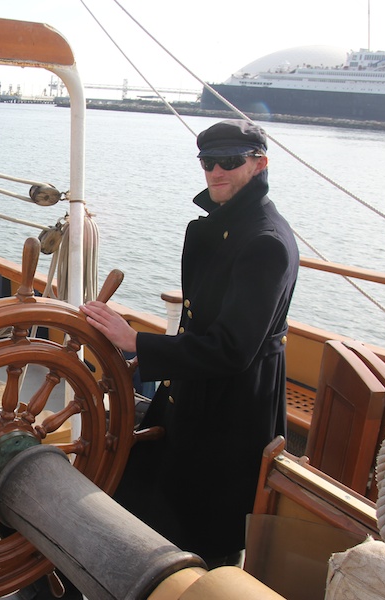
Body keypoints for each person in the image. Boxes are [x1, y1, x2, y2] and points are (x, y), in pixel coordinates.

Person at [80, 119, 299, 568]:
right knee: (150, 503)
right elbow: (206, 327)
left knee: (205, 527)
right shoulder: (228, 226)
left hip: (231, 409)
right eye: (207, 162)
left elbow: (232, 348)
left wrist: (135, 338)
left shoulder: (265, 243)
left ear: (260, 164)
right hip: (196, 387)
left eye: (230, 161)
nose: (216, 171)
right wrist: (152, 353)